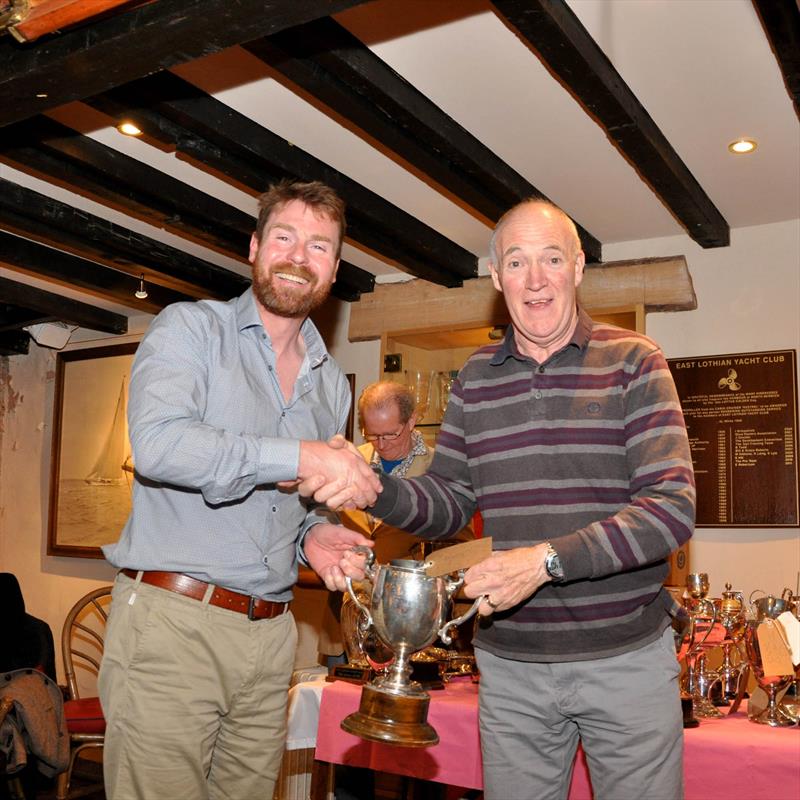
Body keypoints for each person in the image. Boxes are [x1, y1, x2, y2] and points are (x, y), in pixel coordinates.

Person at [303, 199, 696, 800]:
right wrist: (375, 487)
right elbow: (449, 501)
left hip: (625, 661)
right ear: (496, 277)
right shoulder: (476, 379)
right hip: (510, 669)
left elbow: (670, 507)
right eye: (517, 262)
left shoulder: (635, 361)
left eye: (551, 259)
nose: (535, 279)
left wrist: (544, 561)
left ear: (578, 269)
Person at [98, 180, 380, 800]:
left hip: (273, 637)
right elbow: (161, 446)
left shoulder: (332, 386)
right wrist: (299, 455)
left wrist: (317, 538)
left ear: (333, 269)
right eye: (284, 237)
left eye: (319, 246)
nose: (298, 256)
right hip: (175, 625)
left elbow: (296, 501)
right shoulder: (191, 329)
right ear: (254, 247)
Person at [318, 380, 474, 661]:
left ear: (412, 420)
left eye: (390, 434)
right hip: (346, 617)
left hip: (412, 624)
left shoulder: (442, 470)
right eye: (371, 434)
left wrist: (422, 566)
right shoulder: (349, 462)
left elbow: (468, 549)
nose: (380, 444)